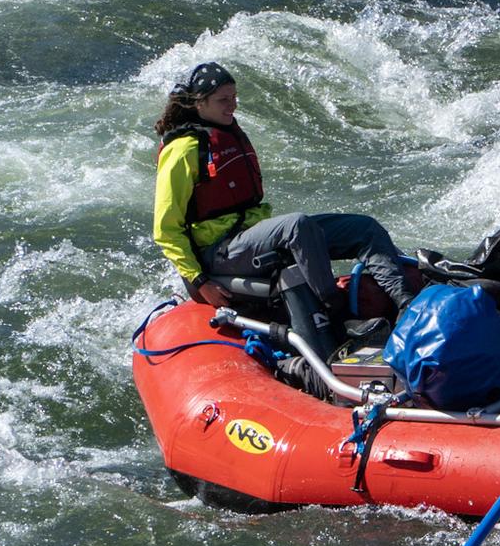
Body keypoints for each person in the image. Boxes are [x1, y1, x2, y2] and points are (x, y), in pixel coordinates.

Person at [152, 61, 417, 358]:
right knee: (296, 225)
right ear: (198, 104)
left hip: (250, 237)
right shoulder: (183, 150)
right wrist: (200, 281)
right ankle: (338, 314)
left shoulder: (229, 133)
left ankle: (406, 305)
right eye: (223, 100)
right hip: (220, 253)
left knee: (363, 228)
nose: (233, 106)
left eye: (234, 97)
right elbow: (166, 230)